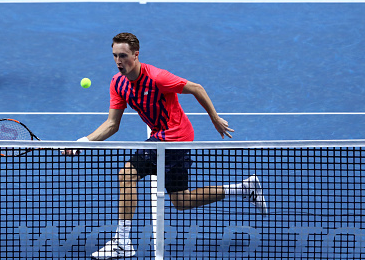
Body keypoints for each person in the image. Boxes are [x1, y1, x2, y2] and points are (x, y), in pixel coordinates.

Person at [64, 32, 268, 259]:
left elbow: (197, 88)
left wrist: (215, 119)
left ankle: (122, 242)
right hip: (161, 137)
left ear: (136, 54)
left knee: (126, 174)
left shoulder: (158, 78)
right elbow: (112, 124)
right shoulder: (118, 84)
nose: (118, 61)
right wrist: (82, 142)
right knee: (181, 200)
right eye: (115, 56)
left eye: (123, 55)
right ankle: (244, 188)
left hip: (175, 138)